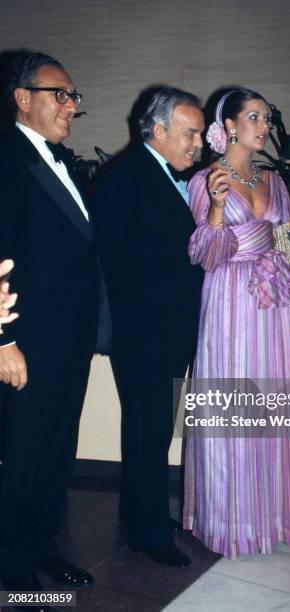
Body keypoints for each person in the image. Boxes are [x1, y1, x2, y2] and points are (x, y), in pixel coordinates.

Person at [183, 88, 290, 559]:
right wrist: (216, 210)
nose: (264, 126)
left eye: (267, 119)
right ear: (229, 125)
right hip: (228, 303)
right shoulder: (205, 180)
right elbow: (204, 255)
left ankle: (267, 517)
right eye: (254, 117)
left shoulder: (275, 182)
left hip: (269, 304)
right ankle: (226, 520)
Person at [0, 51, 100, 599]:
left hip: (68, 342)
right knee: (22, 453)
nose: (70, 105)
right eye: (59, 95)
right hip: (28, 341)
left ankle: (42, 547)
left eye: (73, 97)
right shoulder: (8, 158)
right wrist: (3, 341)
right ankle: (15, 566)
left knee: (55, 451)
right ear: (23, 99)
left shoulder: (62, 162)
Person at [91, 87, 204, 567]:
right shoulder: (128, 177)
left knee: (153, 430)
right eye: (190, 132)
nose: (199, 142)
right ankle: (149, 534)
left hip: (165, 331)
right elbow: (111, 260)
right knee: (147, 428)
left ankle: (141, 513)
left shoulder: (164, 175)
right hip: (143, 333)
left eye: (200, 132)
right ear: (158, 131)